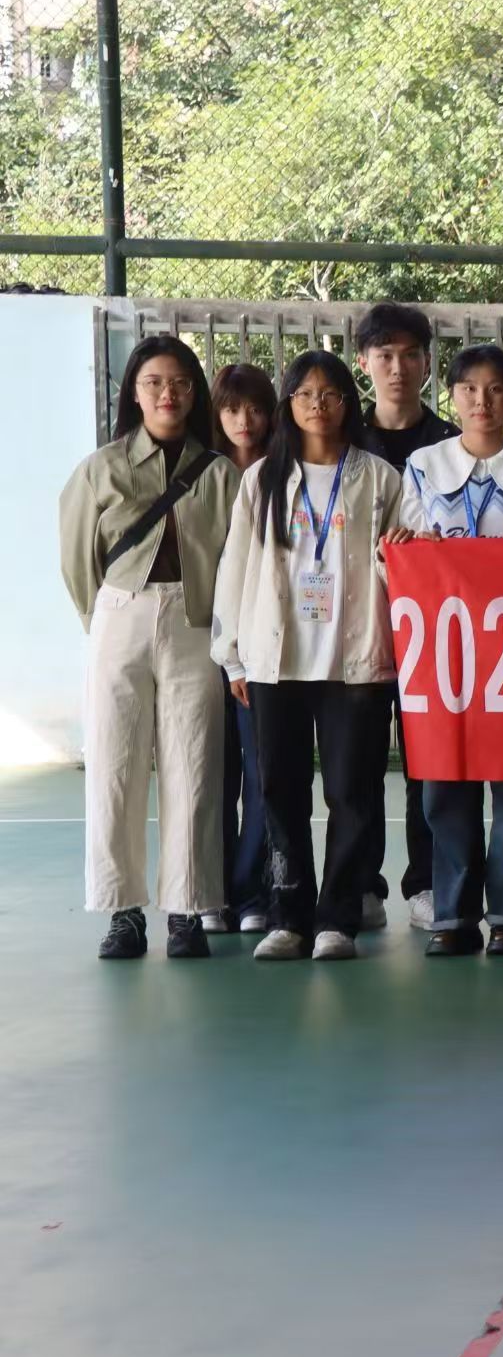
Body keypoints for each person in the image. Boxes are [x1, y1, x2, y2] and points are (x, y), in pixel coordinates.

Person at [212, 352, 412, 962]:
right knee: (280, 791)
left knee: (353, 794)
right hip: (277, 659)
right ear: (289, 404)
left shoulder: (380, 478)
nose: (318, 405)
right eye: (304, 394)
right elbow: (235, 569)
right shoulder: (262, 479)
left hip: (356, 660)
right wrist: (233, 657)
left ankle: (338, 920)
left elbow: (405, 567)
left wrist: (397, 552)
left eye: (329, 394)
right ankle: (289, 916)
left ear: (348, 402)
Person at [60, 334, 238, 959]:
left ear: (195, 393)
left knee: (195, 765)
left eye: (181, 382)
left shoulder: (219, 473)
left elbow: (235, 559)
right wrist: (106, 615)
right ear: (134, 392)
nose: (168, 393)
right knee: (115, 764)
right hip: (119, 616)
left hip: (196, 623)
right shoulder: (101, 468)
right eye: (154, 382)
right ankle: (123, 912)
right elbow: (77, 559)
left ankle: (187, 911)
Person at [399, 345, 503, 956]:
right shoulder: (423, 465)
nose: (482, 401)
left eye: (496, 388)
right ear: (451, 397)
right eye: (469, 389)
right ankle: (452, 915)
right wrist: (409, 547)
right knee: (445, 782)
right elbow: (404, 551)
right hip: (443, 647)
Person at [354, 302, 456, 932]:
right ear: (363, 362)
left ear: (427, 362)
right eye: (385, 355)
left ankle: (426, 884)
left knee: (427, 762)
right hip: (357, 625)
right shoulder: (341, 440)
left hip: (434, 631)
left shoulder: (452, 444)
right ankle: (363, 884)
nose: (398, 367)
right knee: (361, 761)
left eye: (410, 354)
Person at [206, 363, 277, 937]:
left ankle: (251, 890)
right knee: (211, 774)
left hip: (258, 645)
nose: (243, 420)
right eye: (231, 409)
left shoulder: (284, 474)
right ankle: (210, 891)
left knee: (260, 773)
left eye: (254, 408)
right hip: (195, 642)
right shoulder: (201, 472)